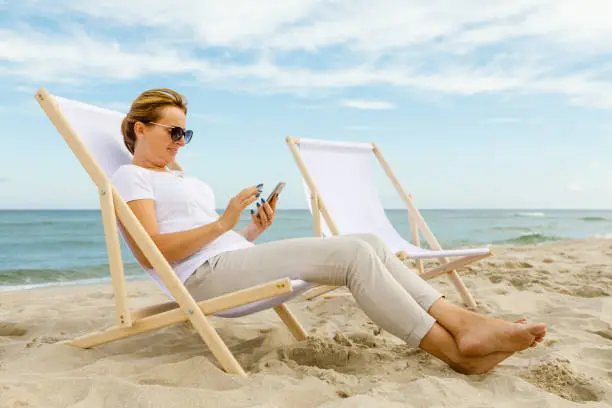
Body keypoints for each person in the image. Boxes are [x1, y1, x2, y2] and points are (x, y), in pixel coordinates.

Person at [111, 88, 547, 375]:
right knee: (353, 256)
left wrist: (247, 232)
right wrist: (224, 223)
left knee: (371, 243)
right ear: (140, 129)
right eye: (173, 131)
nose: (180, 141)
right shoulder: (132, 178)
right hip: (203, 281)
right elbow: (154, 254)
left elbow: (209, 243)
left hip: (227, 261)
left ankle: (463, 324)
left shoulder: (177, 177)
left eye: (186, 133)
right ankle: (455, 350)